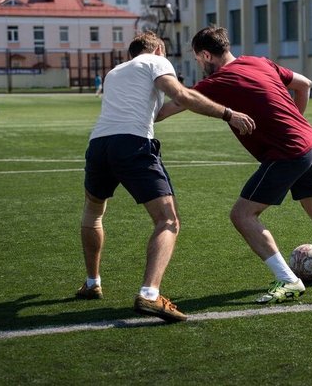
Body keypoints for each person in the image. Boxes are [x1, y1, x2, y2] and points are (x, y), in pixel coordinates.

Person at [157, 26, 312, 304]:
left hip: (288, 152)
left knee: (242, 215)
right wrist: (294, 121)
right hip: (310, 142)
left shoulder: (216, 82)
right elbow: (305, 84)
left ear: (206, 54)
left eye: (197, 59)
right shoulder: (259, 61)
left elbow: (171, 107)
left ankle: (288, 280)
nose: (198, 64)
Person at [76, 31, 255, 322]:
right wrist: (228, 113)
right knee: (167, 221)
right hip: (132, 144)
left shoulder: (115, 72)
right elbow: (180, 94)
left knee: (93, 215)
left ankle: (92, 283)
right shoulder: (156, 62)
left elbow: (157, 112)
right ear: (159, 49)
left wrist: (195, 98)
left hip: (98, 145)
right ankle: (149, 294)